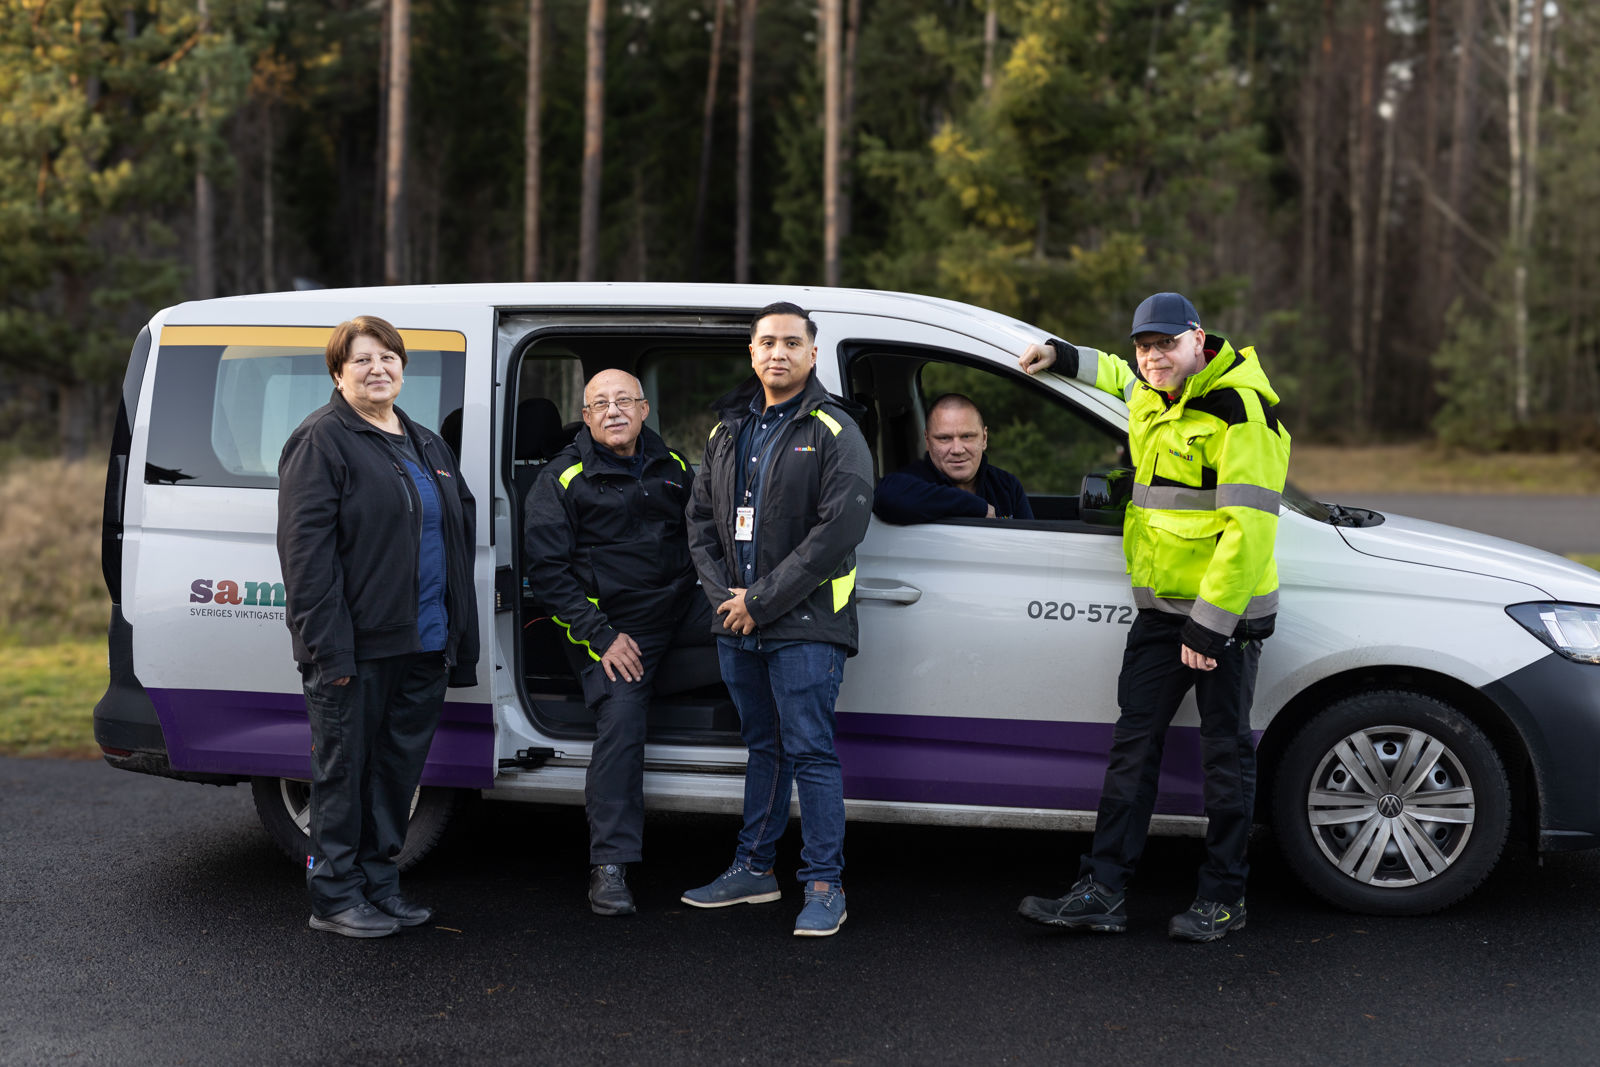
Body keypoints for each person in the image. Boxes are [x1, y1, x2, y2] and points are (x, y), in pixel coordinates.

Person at [1014, 292, 1290, 942]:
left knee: (1225, 757)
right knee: (1132, 749)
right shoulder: (1150, 387)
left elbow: (1248, 531)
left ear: (1198, 339)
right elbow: (1113, 371)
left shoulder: (1241, 408)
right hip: (1160, 611)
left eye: (1165, 344)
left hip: (1224, 619)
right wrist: (1062, 356)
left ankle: (1224, 898)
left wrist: (1209, 626)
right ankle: (1102, 890)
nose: (1152, 357)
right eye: (1145, 345)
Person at [277, 315, 479, 939]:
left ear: (403, 367)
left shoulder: (423, 442)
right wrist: (327, 651)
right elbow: (307, 561)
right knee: (344, 774)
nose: (377, 369)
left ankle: (379, 883)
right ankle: (334, 897)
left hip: (422, 643)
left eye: (387, 357)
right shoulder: (322, 441)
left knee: (395, 775)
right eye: (361, 360)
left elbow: (455, 536)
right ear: (338, 373)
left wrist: (456, 639)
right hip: (355, 650)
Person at [680, 301, 875, 937]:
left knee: (812, 752)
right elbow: (700, 521)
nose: (778, 353)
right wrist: (725, 601)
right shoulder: (726, 430)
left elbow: (836, 533)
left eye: (792, 342)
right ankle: (753, 870)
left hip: (806, 626)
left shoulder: (835, 429)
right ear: (752, 353)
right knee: (763, 747)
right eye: (767, 342)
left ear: (813, 353)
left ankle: (824, 885)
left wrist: (758, 601)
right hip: (737, 624)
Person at [522, 369, 713, 916]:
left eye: (623, 401)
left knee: (758, 628)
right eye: (599, 403)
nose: (613, 411)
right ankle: (610, 864)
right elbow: (549, 576)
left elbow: (700, 536)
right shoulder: (561, 480)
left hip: (682, 604)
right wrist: (602, 636)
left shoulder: (673, 465)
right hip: (613, 624)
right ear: (585, 416)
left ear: (644, 409)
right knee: (624, 719)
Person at [873, 393, 1033, 523]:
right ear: (927, 441)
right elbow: (886, 497)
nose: (957, 450)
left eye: (967, 436)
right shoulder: (911, 481)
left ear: (984, 438)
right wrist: (977, 507)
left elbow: (1030, 547)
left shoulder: (1007, 486)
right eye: (944, 438)